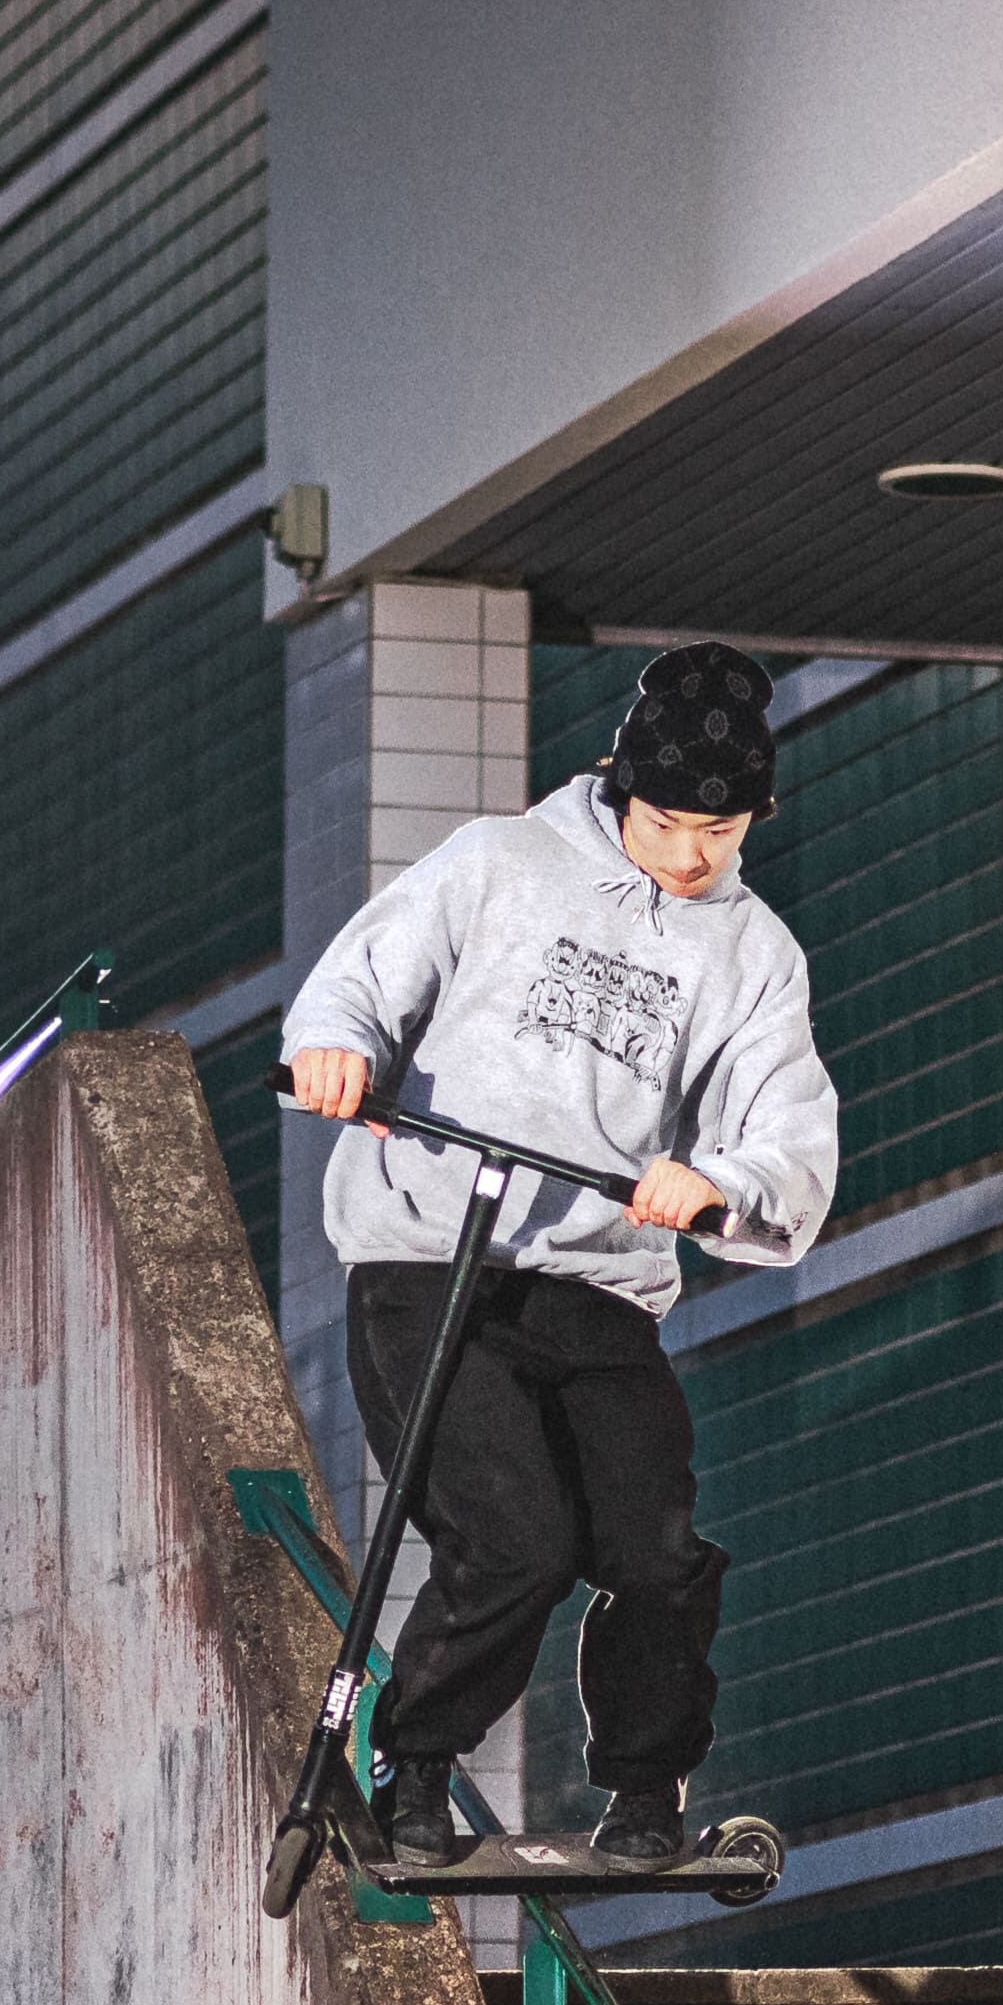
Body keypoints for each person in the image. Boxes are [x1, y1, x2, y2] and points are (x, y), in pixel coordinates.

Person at [283, 643, 838, 1868]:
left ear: (754, 817)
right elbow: (363, 981)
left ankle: (645, 1790)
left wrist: (719, 1182)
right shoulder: (498, 862)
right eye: (664, 823)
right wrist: (338, 1049)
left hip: (597, 1279)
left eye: (719, 830)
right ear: (618, 788)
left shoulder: (756, 954)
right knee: (514, 1539)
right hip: (432, 1262)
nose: (688, 855)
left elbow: (788, 1133)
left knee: (659, 1552)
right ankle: (414, 1765)